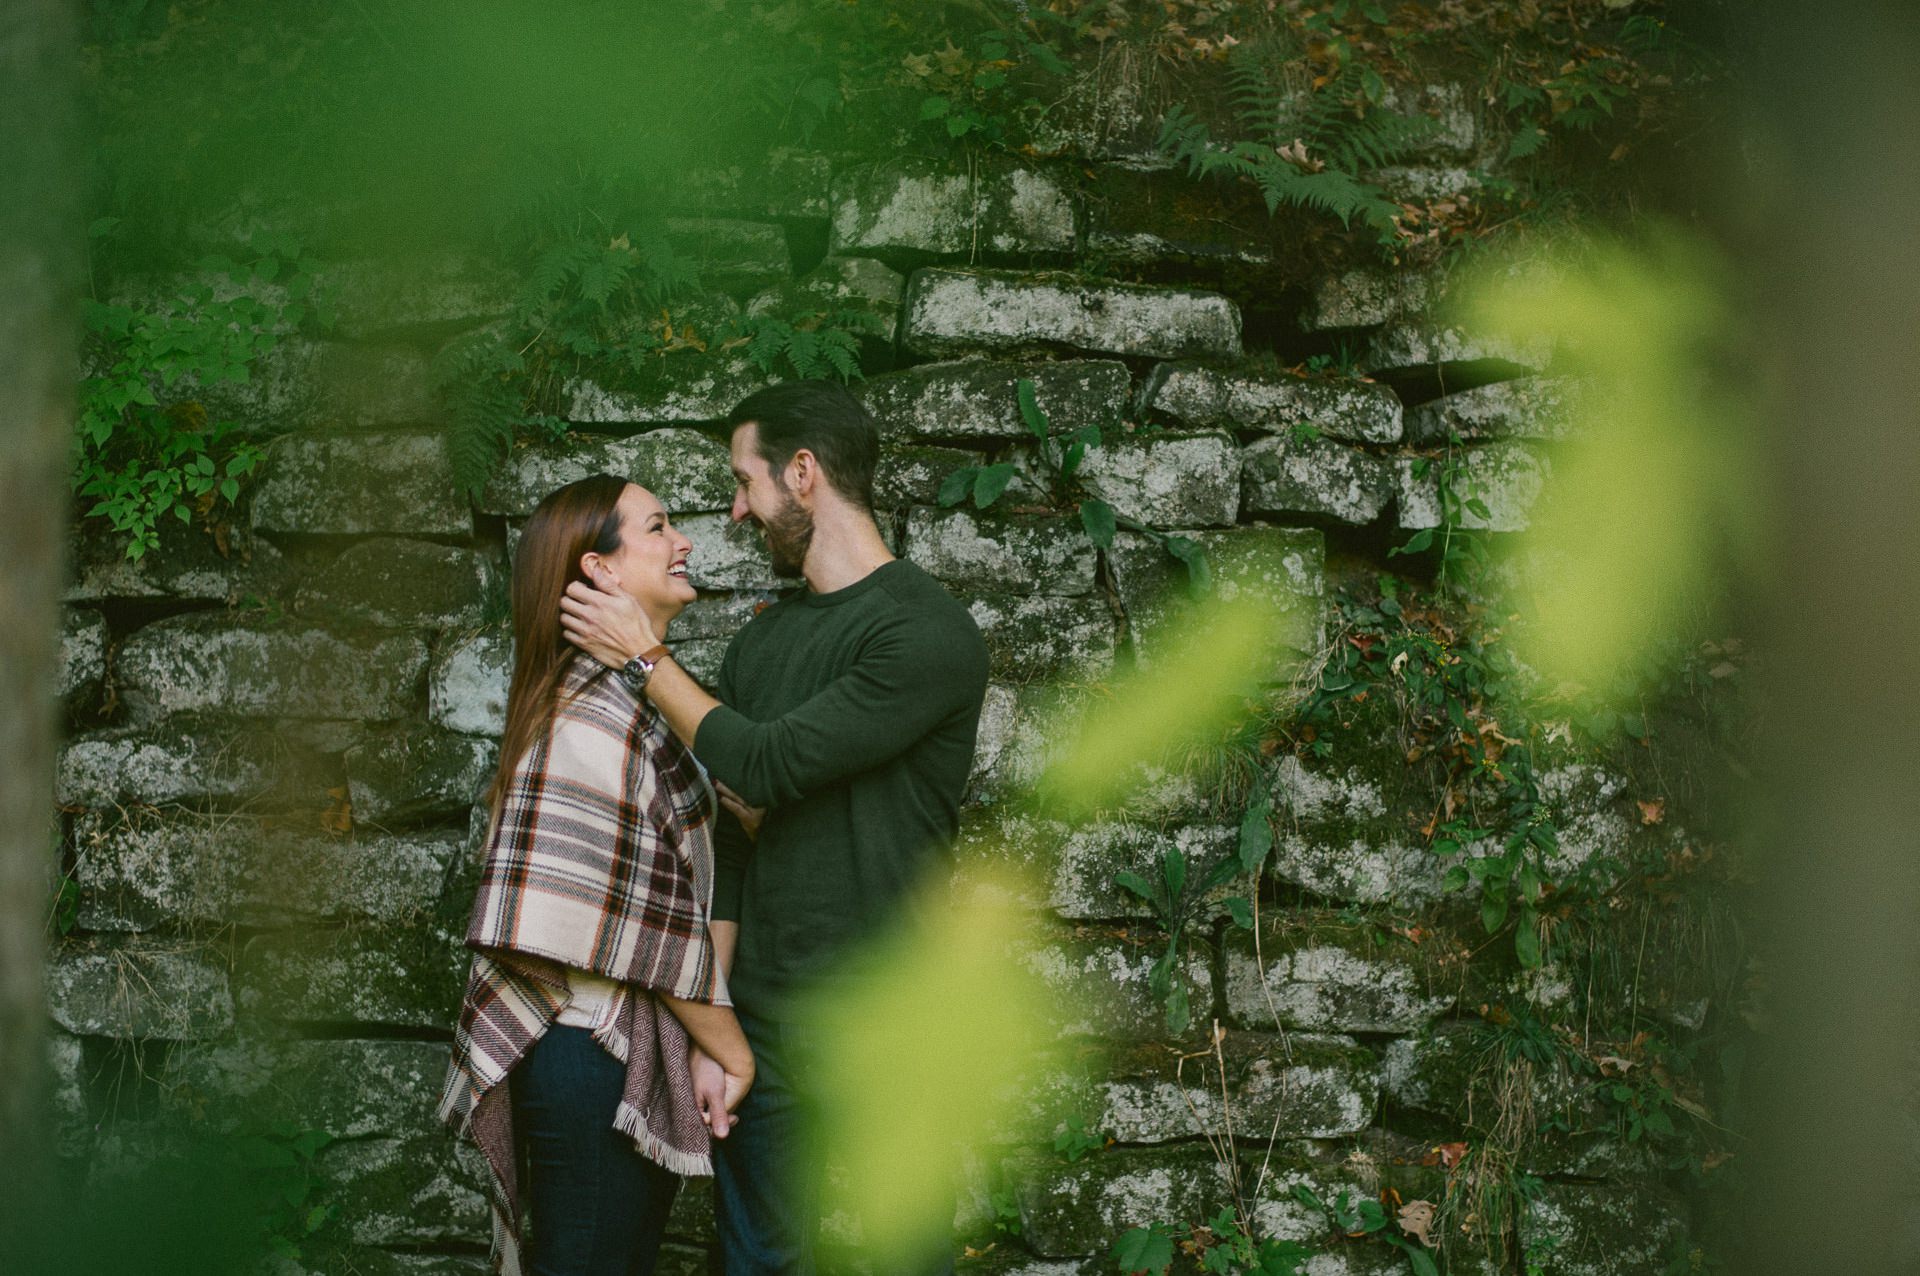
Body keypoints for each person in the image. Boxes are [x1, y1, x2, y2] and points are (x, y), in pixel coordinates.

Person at [558, 382, 990, 1276]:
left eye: (743, 481)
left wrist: (645, 656)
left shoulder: (928, 631)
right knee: (756, 1263)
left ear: (802, 474)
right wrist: (723, 1027)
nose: (734, 508)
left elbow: (762, 765)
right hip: (765, 1023)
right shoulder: (761, 645)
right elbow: (735, 839)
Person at [439, 474, 754, 1276]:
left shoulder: (631, 700)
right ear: (601, 572)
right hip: (588, 1059)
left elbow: (683, 887)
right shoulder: (587, 722)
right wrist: (731, 1047)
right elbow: (633, 931)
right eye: (658, 527)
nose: (684, 541)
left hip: (612, 1053)